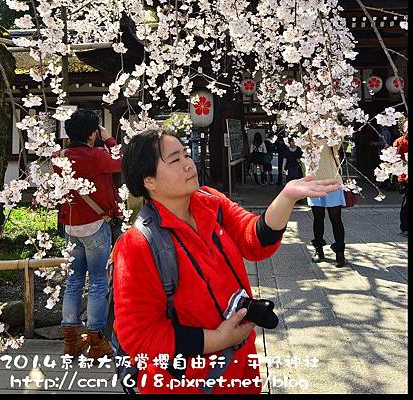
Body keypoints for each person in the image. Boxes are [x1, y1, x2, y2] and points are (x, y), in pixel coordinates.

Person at [112, 128, 341, 395]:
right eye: (175, 160)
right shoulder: (138, 245)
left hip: (241, 368)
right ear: (148, 179)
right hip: (187, 383)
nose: (189, 164)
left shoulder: (211, 202)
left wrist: (286, 197)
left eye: (186, 155)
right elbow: (139, 336)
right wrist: (217, 340)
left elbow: (253, 239)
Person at [52, 109, 123, 358]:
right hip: (95, 224)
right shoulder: (97, 156)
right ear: (93, 133)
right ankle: (96, 339)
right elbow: (120, 160)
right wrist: (109, 139)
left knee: (73, 280)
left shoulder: (58, 157)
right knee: (97, 281)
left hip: (71, 226)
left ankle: (71, 340)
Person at [305, 136, 346, 268]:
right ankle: (319, 249)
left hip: (332, 180)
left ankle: (340, 252)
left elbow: (337, 146)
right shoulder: (306, 135)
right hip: (314, 182)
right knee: (318, 218)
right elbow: (303, 148)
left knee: (336, 219)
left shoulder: (331, 132)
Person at [393, 118, 408, 236]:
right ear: (402, 129)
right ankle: (405, 227)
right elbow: (395, 160)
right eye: (406, 127)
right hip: (405, 177)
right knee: (406, 203)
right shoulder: (399, 142)